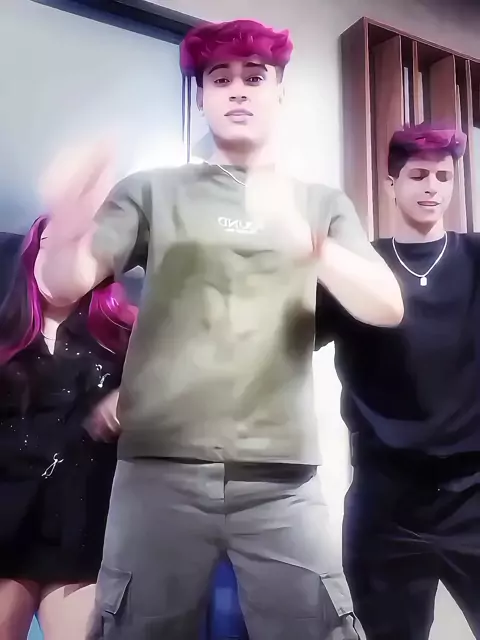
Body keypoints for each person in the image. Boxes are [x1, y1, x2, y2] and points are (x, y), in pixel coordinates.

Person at [35, 19, 404, 640]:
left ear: (279, 91)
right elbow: (61, 284)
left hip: (282, 476)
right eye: (219, 78)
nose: (237, 90)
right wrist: (68, 225)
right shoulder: (152, 191)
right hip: (158, 472)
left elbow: (386, 306)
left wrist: (311, 245)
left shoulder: (320, 203)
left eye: (254, 77)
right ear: (203, 95)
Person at [315, 123, 480, 640]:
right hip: (384, 501)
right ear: (392, 183)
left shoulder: (477, 259)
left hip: (473, 492)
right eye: (418, 175)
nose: (432, 187)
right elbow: (281, 342)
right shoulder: (359, 270)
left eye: (443, 177)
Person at [0, 214, 136, 640]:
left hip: (84, 527)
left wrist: (136, 399)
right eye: (48, 245)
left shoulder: (125, 334)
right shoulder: (5, 331)